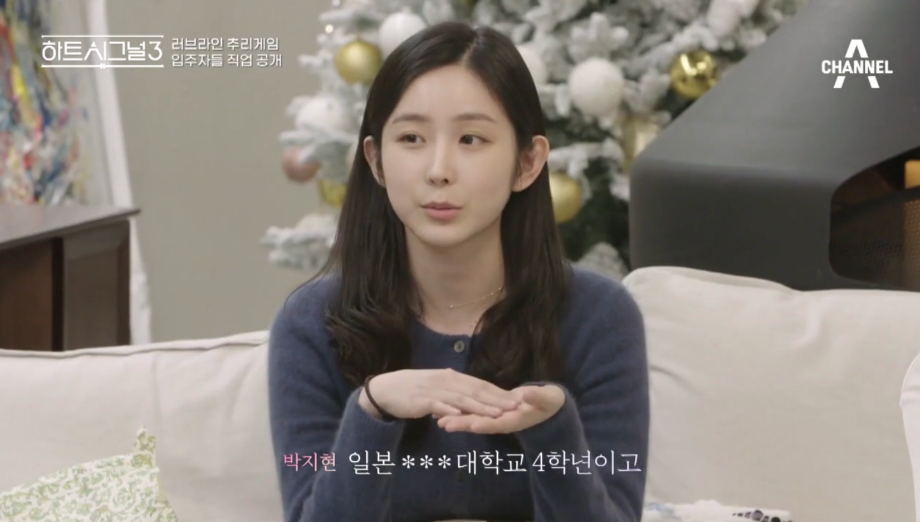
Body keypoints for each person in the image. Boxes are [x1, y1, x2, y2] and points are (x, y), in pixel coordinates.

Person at [268, 21, 650, 522]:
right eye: (411, 138)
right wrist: (373, 409)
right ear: (376, 161)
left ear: (528, 162)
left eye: (471, 138)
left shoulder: (600, 317)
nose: (438, 170)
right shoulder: (312, 323)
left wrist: (554, 431)